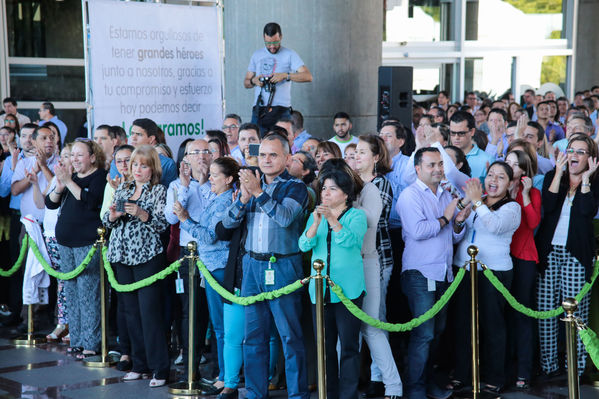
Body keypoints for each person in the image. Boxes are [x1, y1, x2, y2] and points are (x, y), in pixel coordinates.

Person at [222, 132, 309, 399]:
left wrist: (258, 192)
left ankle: (297, 395)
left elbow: (284, 218)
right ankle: (255, 393)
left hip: (282, 265)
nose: (267, 160)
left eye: (273, 155)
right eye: (262, 155)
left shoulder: (295, 187)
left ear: (287, 157)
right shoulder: (250, 185)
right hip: (251, 266)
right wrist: (243, 199)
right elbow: (227, 224)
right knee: (253, 337)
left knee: (290, 337)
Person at [398, 147, 469, 399]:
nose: (438, 169)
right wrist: (446, 215)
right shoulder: (410, 195)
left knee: (436, 333)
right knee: (424, 334)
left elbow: (454, 235)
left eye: (440, 164)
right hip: (420, 272)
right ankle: (414, 388)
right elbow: (418, 231)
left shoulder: (445, 193)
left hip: (444, 272)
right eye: (431, 165)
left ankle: (428, 383)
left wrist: (458, 220)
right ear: (418, 169)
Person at [299, 161, 367, 399]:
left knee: (349, 346)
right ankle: (327, 393)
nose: (325, 193)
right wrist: (316, 222)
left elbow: (351, 242)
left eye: (332, 189)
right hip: (319, 291)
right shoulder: (314, 216)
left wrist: (332, 221)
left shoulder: (356, 216)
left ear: (346, 194)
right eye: (324, 188)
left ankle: (348, 394)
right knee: (324, 347)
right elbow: (304, 244)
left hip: (348, 291)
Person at [103, 145, 169, 387]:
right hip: (121, 257)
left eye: (143, 165)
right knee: (130, 313)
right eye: (135, 165)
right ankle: (139, 364)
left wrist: (142, 213)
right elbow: (106, 222)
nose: (138, 169)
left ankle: (160, 368)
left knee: (150, 313)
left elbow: (163, 225)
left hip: (146, 257)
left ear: (152, 168)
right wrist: (112, 216)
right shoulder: (123, 188)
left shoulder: (159, 191)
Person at [452, 162, 521, 393]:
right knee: (462, 324)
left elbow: (494, 226)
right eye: (491, 175)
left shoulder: (512, 207)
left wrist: (477, 201)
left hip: (495, 271)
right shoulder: (476, 202)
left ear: (510, 183)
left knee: (493, 325)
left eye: (500, 177)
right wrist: (461, 220)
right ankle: (463, 374)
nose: (493, 180)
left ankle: (494, 377)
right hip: (464, 268)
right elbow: (458, 234)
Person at [172, 157, 238, 394]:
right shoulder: (217, 198)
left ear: (229, 179)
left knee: (222, 326)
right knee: (219, 326)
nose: (210, 178)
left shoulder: (223, 203)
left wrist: (185, 220)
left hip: (218, 267)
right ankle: (224, 373)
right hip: (210, 267)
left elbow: (210, 236)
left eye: (215, 175)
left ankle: (225, 375)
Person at [535, 134, 599, 377]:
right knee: (545, 310)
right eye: (571, 150)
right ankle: (548, 366)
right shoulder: (554, 176)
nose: (574, 155)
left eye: (581, 152)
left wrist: (586, 181)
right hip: (549, 251)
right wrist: (560, 173)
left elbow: (586, 211)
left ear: (591, 158)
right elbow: (548, 206)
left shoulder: (595, 181)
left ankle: (577, 367)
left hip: (576, 253)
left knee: (576, 311)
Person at [45, 139, 106, 359]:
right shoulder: (70, 178)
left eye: (80, 155)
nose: (75, 159)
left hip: (87, 244)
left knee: (88, 294)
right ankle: (78, 339)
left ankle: (91, 342)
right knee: (70, 293)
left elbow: (91, 201)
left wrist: (68, 181)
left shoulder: (99, 176)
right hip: (65, 243)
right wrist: (61, 185)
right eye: (73, 156)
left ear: (92, 156)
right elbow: (51, 203)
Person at [163, 139, 215, 389]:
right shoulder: (175, 185)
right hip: (188, 254)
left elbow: (210, 216)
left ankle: (216, 371)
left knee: (213, 312)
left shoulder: (219, 183)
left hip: (214, 252)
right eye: (197, 152)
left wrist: (205, 183)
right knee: (188, 311)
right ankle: (190, 368)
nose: (202, 157)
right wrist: (185, 187)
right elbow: (171, 216)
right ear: (186, 158)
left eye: (207, 152)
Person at [354, 136, 403, 398]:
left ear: (376, 157)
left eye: (363, 152)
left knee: (376, 320)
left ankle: (379, 377)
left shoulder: (381, 183)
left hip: (377, 258)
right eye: (355, 152)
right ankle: (357, 377)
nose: (357, 156)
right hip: (350, 261)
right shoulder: (348, 182)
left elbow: (371, 220)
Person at [504, 150, 541, 389]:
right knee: (501, 315)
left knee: (522, 315)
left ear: (524, 170)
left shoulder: (533, 192)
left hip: (524, 257)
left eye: (515, 164)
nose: (510, 167)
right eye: (507, 162)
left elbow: (533, 222)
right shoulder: (498, 189)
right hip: (500, 258)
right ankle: (503, 368)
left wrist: (524, 194)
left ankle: (524, 371)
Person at [245, 22, 312, 132]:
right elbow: (246, 83)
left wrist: (286, 76)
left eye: (275, 42)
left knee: (283, 143)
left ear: (281, 37)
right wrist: (254, 80)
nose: (272, 46)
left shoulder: (290, 54)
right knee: (256, 144)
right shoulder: (256, 55)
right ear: (263, 38)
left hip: (281, 110)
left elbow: (308, 76)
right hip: (259, 110)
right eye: (268, 43)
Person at [109, 118, 177, 187]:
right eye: (132, 133)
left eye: (139, 134)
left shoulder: (167, 164)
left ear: (151, 139)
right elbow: (114, 187)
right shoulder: (118, 161)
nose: (133, 138)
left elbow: (170, 193)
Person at [448, 111, 492, 181]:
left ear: (472, 132)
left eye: (461, 133)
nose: (456, 137)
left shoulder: (487, 160)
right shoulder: (443, 156)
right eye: (452, 133)